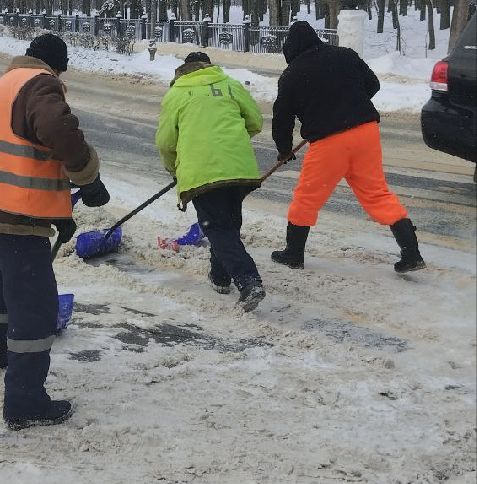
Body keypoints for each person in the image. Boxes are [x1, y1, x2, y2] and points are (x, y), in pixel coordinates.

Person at [0, 32, 110, 430]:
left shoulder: (0, 86)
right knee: (35, 306)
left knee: (6, 287)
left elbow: (23, 149)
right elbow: (57, 129)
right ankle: (26, 401)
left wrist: (58, 209)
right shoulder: (40, 84)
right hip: (18, 213)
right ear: (56, 66)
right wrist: (87, 175)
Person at [270, 20, 424, 273]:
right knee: (376, 192)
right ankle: (411, 252)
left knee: (307, 197)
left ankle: (294, 253)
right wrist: (351, 106)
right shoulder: (345, 55)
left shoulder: (292, 74)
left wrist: (284, 149)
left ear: (290, 47)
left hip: (329, 143)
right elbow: (372, 84)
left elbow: (282, 117)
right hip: (365, 133)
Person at [155, 51, 266, 312]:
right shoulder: (230, 85)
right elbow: (255, 122)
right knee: (228, 222)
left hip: (202, 171)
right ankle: (220, 276)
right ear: (208, 67)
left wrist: (174, 169)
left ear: (184, 70)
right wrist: (231, 142)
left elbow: (165, 143)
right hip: (238, 167)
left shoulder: (177, 93)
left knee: (216, 227)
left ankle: (248, 279)